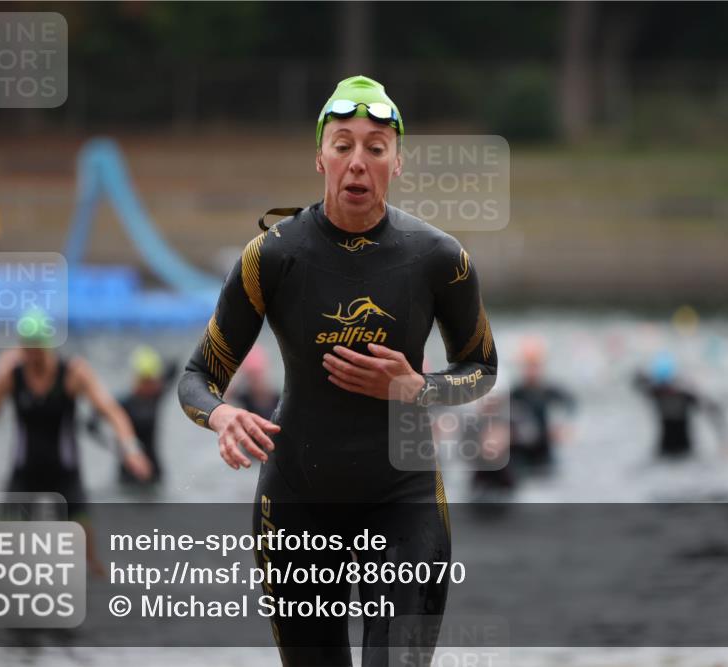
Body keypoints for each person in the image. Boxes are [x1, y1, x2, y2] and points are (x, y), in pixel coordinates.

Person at [178, 75, 498, 666]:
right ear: (319, 158)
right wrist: (222, 415)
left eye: (375, 148)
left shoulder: (439, 259)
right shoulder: (272, 257)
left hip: (404, 502)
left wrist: (418, 388)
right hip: (297, 503)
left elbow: (481, 368)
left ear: (396, 163)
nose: (358, 162)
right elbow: (197, 376)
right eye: (343, 145)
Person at [0, 309, 152, 572]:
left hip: (64, 472)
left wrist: (130, 449)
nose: (28, 356)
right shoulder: (11, 375)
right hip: (25, 471)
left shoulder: (73, 373)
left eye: (34, 349)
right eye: (24, 348)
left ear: (46, 345)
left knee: (88, 553)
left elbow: (111, 411)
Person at [86, 344, 178, 485]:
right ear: (137, 379)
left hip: (154, 470)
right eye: (147, 381)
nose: (151, 385)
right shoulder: (122, 404)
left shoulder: (156, 396)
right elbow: (90, 425)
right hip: (129, 473)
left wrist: (156, 366)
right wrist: (117, 449)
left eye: (153, 380)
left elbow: (174, 365)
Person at [633, 351, 728, 459]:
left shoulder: (663, 393)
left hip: (684, 451)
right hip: (666, 450)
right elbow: (713, 409)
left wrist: (724, 440)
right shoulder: (666, 393)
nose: (666, 390)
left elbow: (712, 410)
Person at [507, 336, 576, 475]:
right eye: (527, 365)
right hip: (520, 457)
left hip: (545, 455)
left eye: (535, 365)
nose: (531, 370)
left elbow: (571, 408)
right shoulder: (513, 395)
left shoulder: (554, 393)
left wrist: (564, 426)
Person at [225, 346, 279, 418]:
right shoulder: (245, 398)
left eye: (257, 374)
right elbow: (225, 396)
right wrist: (240, 377)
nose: (255, 380)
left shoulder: (277, 399)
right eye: (251, 376)